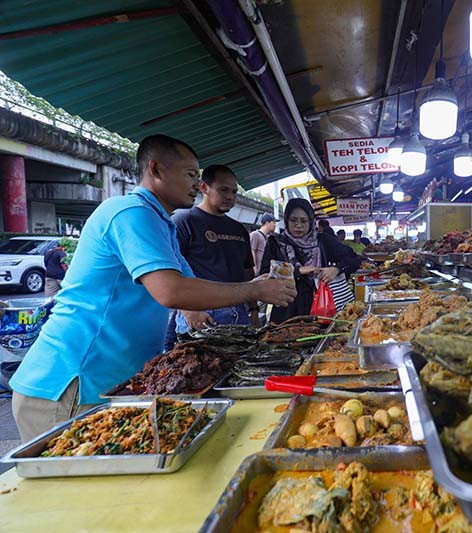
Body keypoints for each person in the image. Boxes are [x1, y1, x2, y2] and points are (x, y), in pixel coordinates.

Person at [9, 134, 296, 441]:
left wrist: (254, 286)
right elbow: (171, 291)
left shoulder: (163, 225)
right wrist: (252, 292)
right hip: (73, 383)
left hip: (113, 382)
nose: (195, 184)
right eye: (190, 175)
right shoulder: (131, 214)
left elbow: (188, 292)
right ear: (156, 170)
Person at [172, 165, 259, 337]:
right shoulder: (184, 221)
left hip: (239, 314)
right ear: (203, 187)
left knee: (242, 362)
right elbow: (170, 271)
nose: (229, 197)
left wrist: (253, 308)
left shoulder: (239, 229)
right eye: (223, 190)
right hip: (201, 313)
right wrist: (187, 311)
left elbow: (247, 272)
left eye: (234, 192)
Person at [259, 198, 360, 324]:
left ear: (311, 221)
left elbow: (354, 259)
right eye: (293, 220)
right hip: (286, 311)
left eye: (304, 221)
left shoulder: (323, 240)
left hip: (321, 308)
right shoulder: (276, 243)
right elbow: (264, 275)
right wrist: (295, 271)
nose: (298, 225)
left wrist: (337, 269)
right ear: (286, 220)